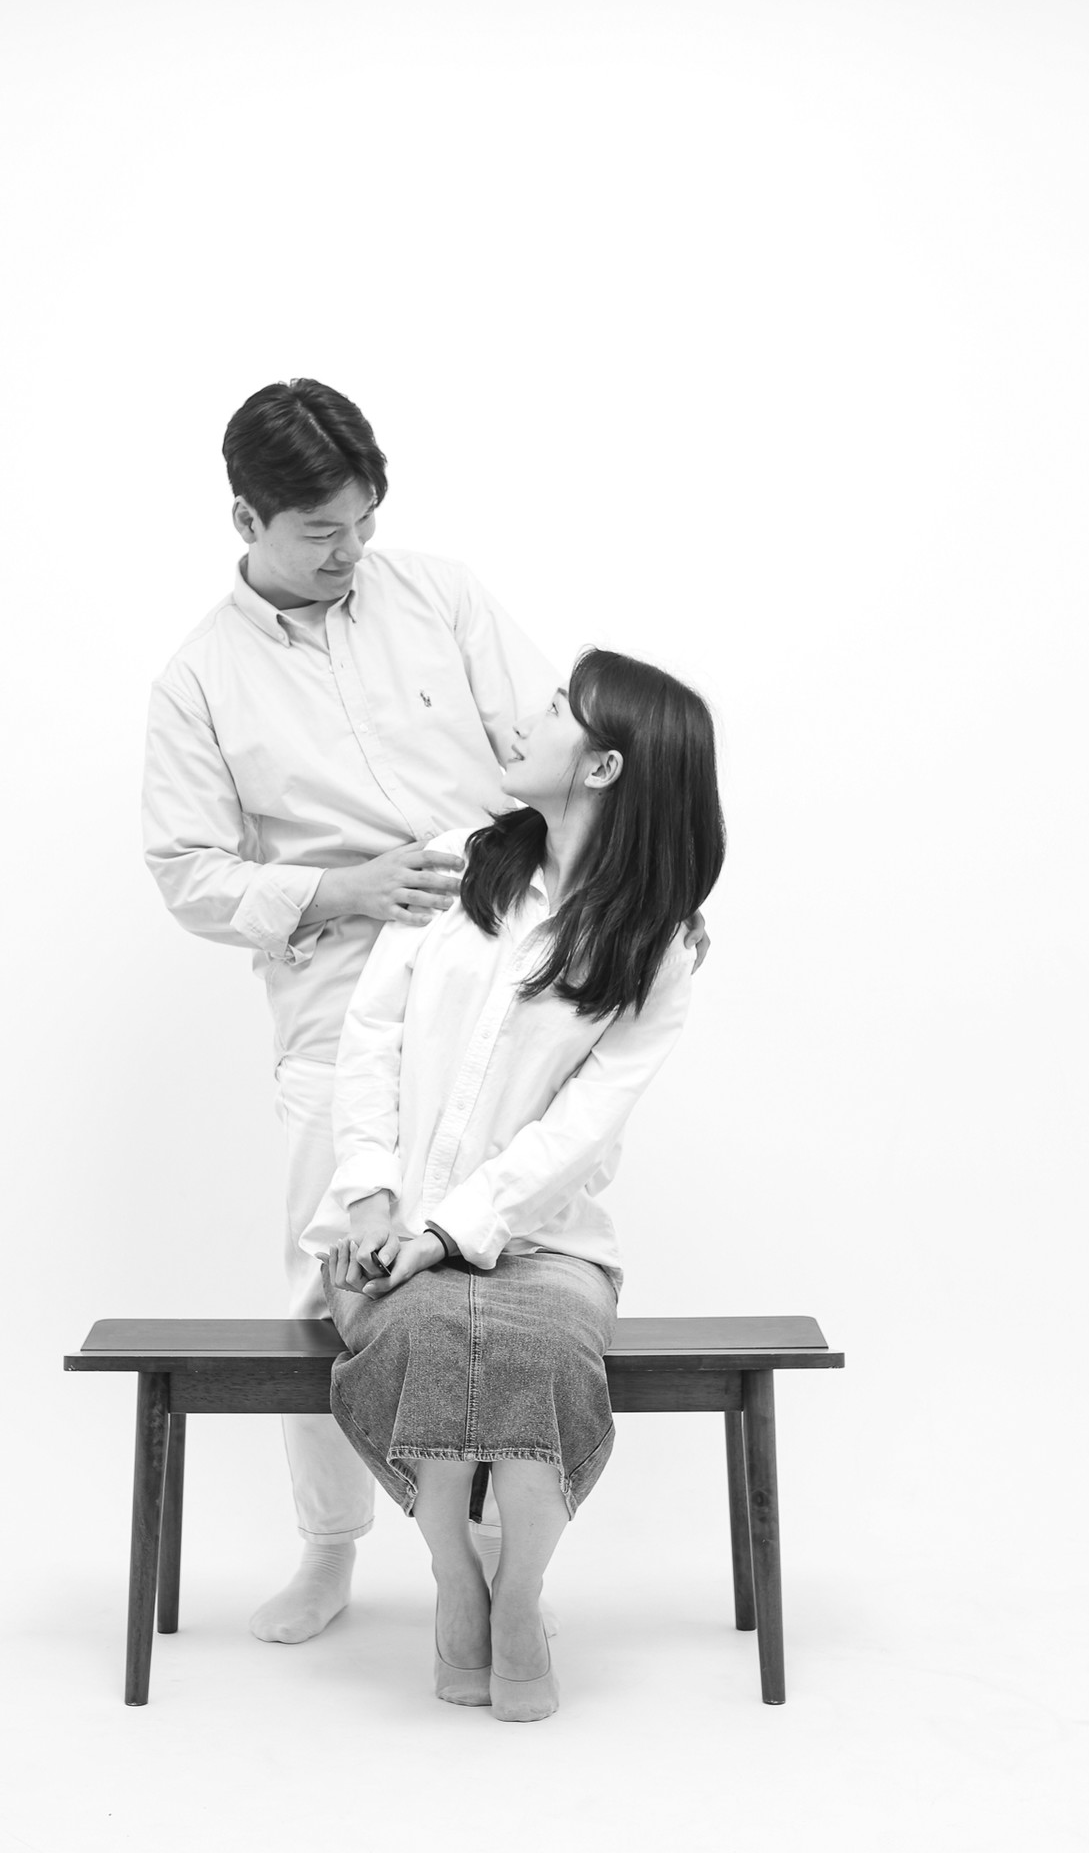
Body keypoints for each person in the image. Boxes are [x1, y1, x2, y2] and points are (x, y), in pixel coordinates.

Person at [143, 381, 709, 1645]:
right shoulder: (198, 681)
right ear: (245, 520)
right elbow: (186, 871)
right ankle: (329, 1549)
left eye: (364, 522)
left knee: (493, 1262)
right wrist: (337, 889)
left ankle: (498, 1561)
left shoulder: (440, 597)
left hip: (507, 959)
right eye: (319, 533)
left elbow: (570, 747)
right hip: (337, 998)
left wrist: (647, 896)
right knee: (327, 1282)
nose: (350, 551)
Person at [304, 647, 725, 1721]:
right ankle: (457, 1579)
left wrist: (448, 1234)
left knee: (536, 1352)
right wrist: (374, 1202)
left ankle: (520, 1592)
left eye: (557, 708)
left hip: (548, 1244)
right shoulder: (455, 867)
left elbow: (579, 1132)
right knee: (423, 1334)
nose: (529, 717)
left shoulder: (657, 948)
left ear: (602, 766)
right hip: (384, 1225)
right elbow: (369, 1040)